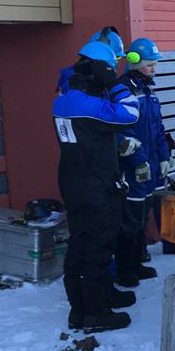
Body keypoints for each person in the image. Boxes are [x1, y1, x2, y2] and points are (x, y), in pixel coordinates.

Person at [53, 41, 140, 332]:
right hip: (96, 185)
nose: (114, 69)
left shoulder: (64, 99)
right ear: (100, 70)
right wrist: (114, 83)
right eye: (111, 66)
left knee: (79, 242)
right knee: (97, 246)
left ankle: (84, 305)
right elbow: (130, 112)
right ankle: (94, 313)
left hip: (73, 181)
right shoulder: (90, 105)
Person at [114, 37, 171, 287]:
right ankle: (125, 269)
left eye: (154, 65)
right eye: (150, 65)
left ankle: (137, 262)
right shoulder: (123, 90)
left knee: (141, 215)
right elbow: (124, 131)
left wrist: (164, 157)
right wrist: (138, 161)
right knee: (130, 220)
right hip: (132, 167)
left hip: (149, 165)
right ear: (135, 62)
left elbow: (157, 128)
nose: (154, 69)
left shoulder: (148, 91)